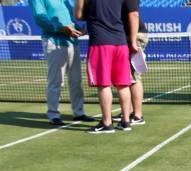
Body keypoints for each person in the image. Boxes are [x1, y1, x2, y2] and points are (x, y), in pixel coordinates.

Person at [74, 0, 138, 133]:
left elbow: (78, 15)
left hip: (100, 42)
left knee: (103, 84)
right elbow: (129, 13)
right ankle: (125, 122)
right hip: (120, 42)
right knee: (123, 84)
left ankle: (107, 123)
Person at [29, 0, 95, 126]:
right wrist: (60, 29)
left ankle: (78, 113)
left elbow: (70, 18)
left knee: (76, 80)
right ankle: (53, 115)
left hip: (72, 43)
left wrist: (78, 28)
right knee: (56, 81)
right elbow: (40, 18)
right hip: (53, 42)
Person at [113, 0, 147, 125]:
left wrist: (133, 41)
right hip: (125, 35)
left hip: (134, 35)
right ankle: (128, 112)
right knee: (126, 75)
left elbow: (134, 14)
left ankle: (137, 115)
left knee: (133, 76)